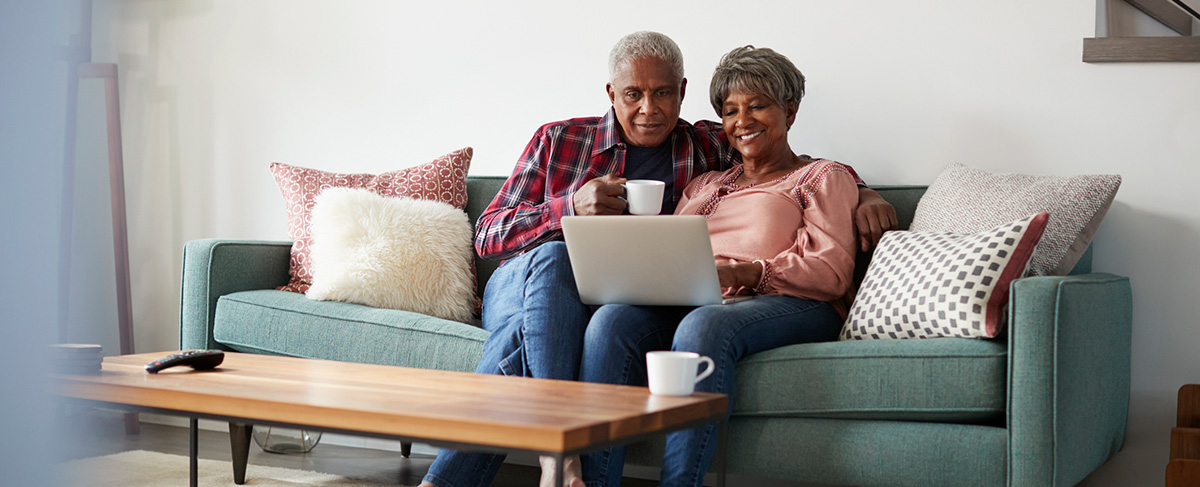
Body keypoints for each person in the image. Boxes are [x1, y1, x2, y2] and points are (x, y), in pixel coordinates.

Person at [418, 32, 894, 487]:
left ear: (682, 92)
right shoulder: (561, 139)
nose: (649, 109)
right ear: (611, 92)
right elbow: (488, 234)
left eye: (663, 93)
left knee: (604, 323)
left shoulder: (705, 149)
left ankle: (550, 467)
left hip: (656, 294)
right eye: (633, 94)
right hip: (524, 276)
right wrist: (568, 209)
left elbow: (800, 167)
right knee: (555, 256)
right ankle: (555, 447)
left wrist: (865, 193)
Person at [576, 45, 859, 487]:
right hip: (703, 297)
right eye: (730, 111)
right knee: (611, 321)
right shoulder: (706, 183)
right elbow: (667, 250)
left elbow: (831, 271)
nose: (742, 121)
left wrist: (745, 273)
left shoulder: (821, 178)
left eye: (758, 106)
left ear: (791, 110)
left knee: (703, 327)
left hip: (791, 300)